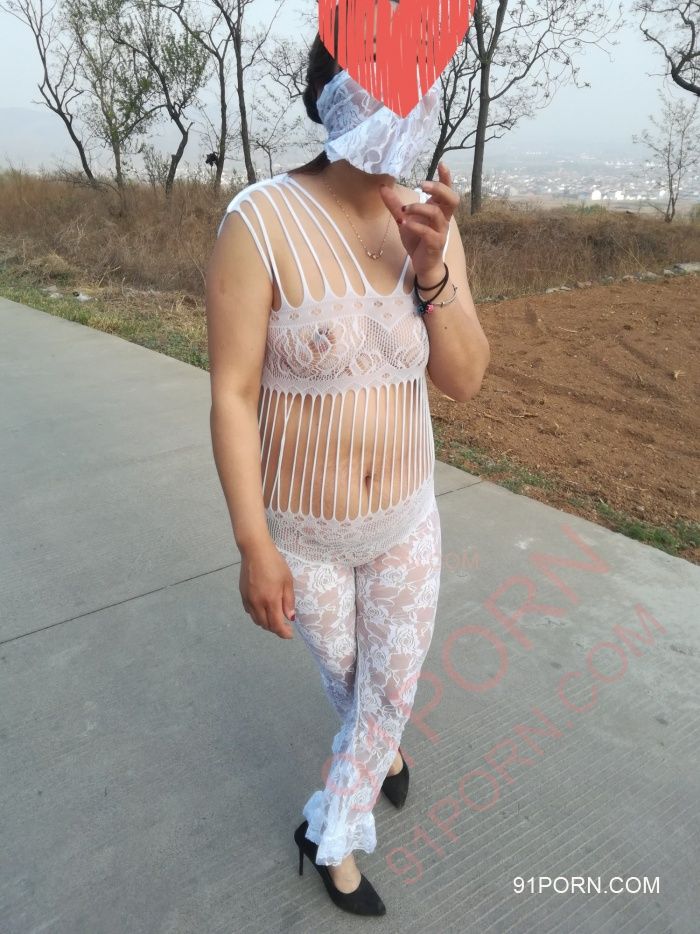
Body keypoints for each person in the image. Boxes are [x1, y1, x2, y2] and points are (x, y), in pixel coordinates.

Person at [205, 14, 490, 920]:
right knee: (354, 681)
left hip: (406, 519)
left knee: (389, 684)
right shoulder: (259, 221)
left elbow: (465, 380)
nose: (402, 110)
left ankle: (331, 835)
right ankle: (384, 749)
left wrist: (433, 267)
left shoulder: (427, 220)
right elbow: (232, 395)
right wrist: (254, 545)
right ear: (336, 96)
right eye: (382, 88)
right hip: (306, 535)